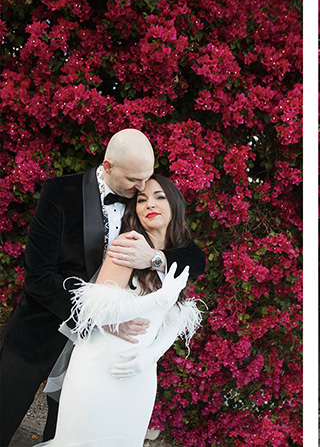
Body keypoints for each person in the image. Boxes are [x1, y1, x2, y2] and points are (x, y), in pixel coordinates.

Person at [0, 130, 206, 446]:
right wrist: (103, 315)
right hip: (43, 328)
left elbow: (194, 257)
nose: (142, 188)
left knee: (67, 434)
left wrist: (155, 257)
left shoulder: (143, 206)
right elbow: (39, 278)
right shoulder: (60, 192)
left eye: (147, 179)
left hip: (97, 354)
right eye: (134, 180)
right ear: (108, 166)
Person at [38, 174, 202, 446]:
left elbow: (177, 316)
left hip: (139, 375)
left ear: (175, 204)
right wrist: (158, 299)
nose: (150, 204)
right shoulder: (128, 244)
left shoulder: (179, 254)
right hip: (99, 365)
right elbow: (98, 311)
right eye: (141, 199)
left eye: (159, 196)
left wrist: (150, 356)